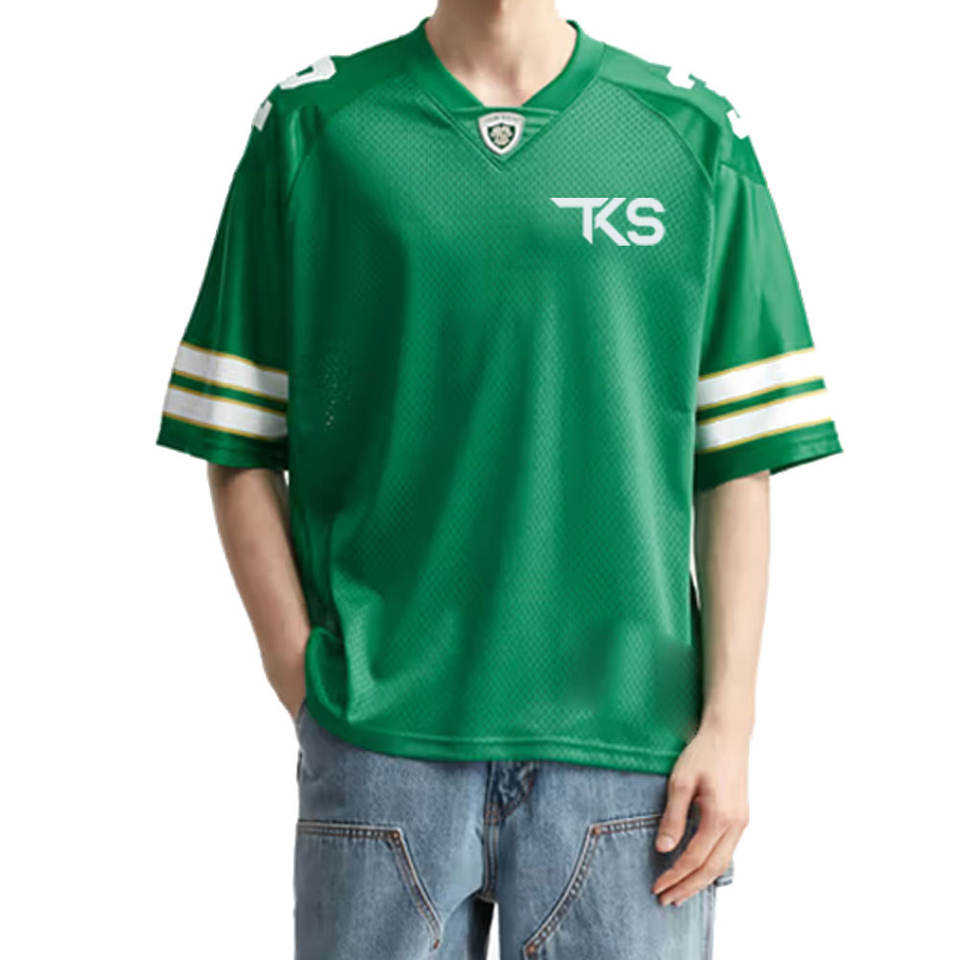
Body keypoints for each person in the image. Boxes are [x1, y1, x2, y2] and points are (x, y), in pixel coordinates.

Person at [156, 1, 841, 956]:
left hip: (632, 752)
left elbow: (736, 459)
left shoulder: (692, 137)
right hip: (384, 744)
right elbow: (236, 432)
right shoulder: (316, 128)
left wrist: (732, 724)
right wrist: (304, 678)